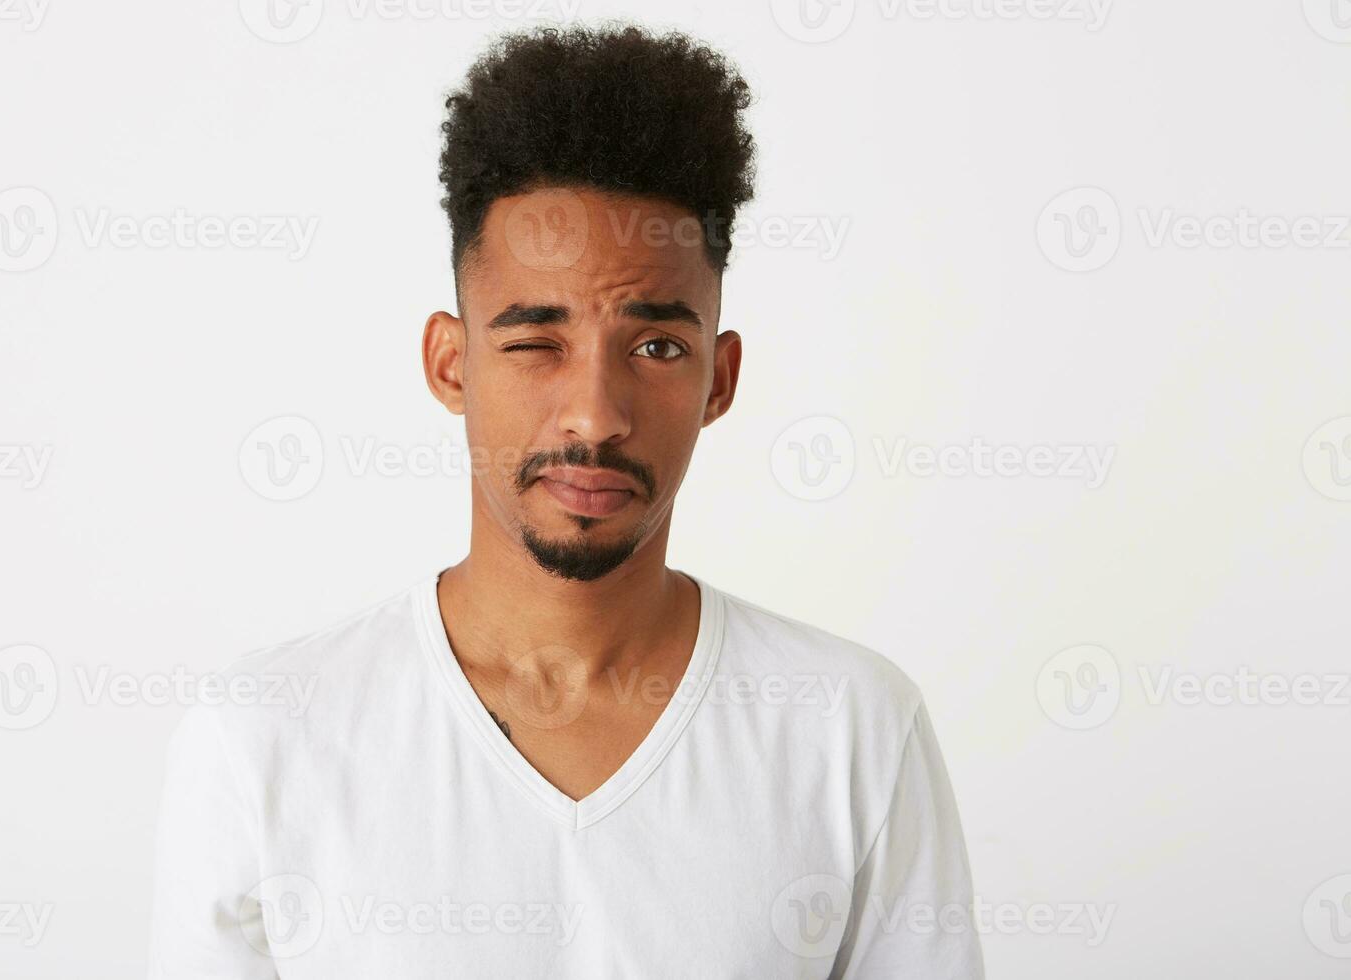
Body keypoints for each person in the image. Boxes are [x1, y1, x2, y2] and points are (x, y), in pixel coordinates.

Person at [148, 22, 985, 978]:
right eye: (535, 341)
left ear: (720, 378)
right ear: (450, 362)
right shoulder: (262, 739)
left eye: (657, 346)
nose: (594, 414)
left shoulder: (853, 730)